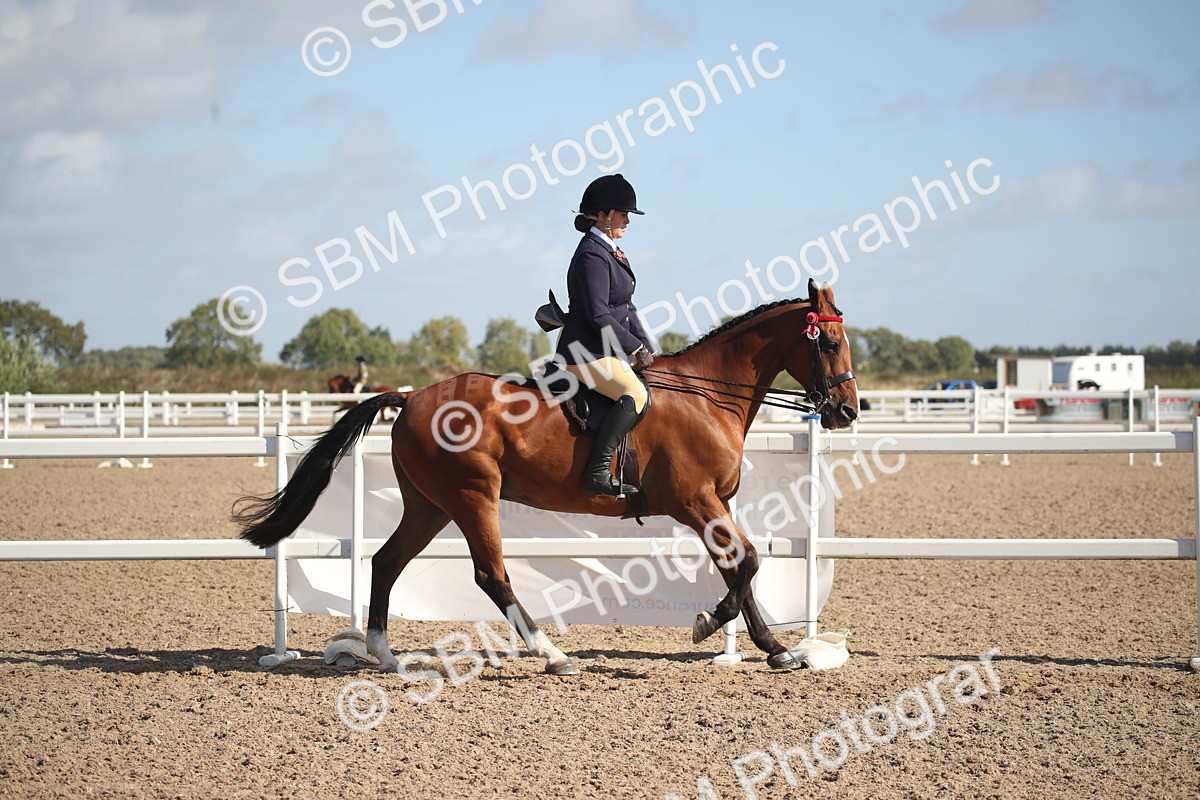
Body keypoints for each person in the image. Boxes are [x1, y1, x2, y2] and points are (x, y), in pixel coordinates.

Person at [554, 173, 655, 496]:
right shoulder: (591, 255)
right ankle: (597, 472)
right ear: (602, 215)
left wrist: (650, 348)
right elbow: (599, 314)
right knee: (635, 395)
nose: (628, 220)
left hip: (605, 350)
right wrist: (634, 346)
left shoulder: (610, 251)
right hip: (584, 353)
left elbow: (628, 308)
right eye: (623, 213)